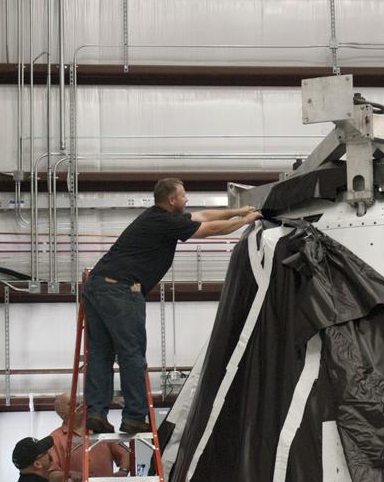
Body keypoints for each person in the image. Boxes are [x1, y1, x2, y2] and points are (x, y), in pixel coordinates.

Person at [83, 177, 261, 434]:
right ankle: (134, 416)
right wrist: (245, 221)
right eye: (183, 195)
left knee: (100, 353)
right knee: (131, 354)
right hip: (121, 289)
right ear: (172, 200)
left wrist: (238, 211)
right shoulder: (165, 222)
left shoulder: (157, 217)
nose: (186, 200)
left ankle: (96, 413)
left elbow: (203, 216)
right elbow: (208, 229)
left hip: (97, 286)